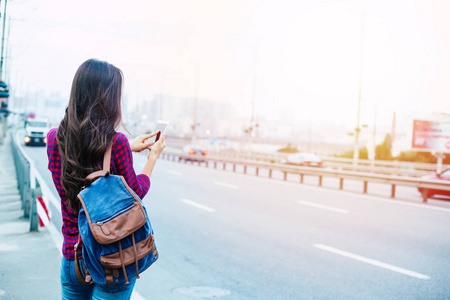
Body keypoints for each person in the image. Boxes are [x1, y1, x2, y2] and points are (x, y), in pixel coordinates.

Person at [46, 59, 165, 299]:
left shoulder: (53, 139)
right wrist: (152, 159)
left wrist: (128, 148)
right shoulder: (117, 143)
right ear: (108, 99)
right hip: (112, 258)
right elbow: (136, 193)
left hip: (73, 257)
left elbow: (83, 161)